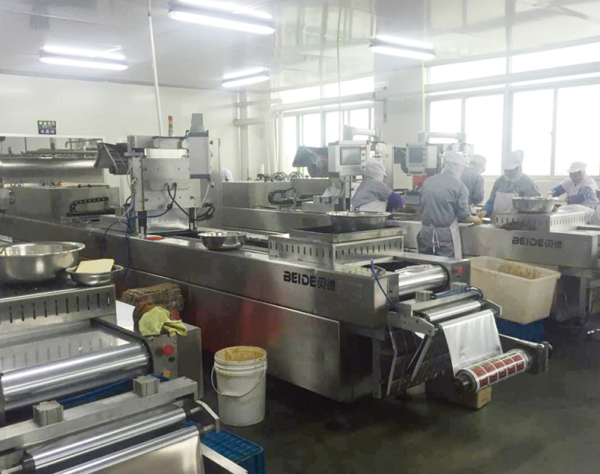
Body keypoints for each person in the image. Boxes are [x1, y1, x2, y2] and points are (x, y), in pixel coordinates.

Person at [417, 152, 482, 258]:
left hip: (425, 233)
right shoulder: (460, 186)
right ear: (459, 168)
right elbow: (464, 216)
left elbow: (421, 204)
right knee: (448, 266)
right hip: (445, 236)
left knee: (426, 264)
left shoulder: (427, 182)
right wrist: (476, 219)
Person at [478, 150, 540, 218]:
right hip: (496, 219)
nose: (507, 172)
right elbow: (491, 201)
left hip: (517, 221)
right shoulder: (499, 182)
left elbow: (533, 207)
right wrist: (485, 211)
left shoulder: (529, 184)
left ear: (518, 168)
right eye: (505, 170)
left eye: (510, 170)